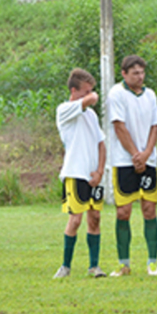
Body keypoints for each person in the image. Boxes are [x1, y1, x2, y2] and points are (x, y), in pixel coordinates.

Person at [107, 55, 157, 277]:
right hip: (124, 161)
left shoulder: (150, 95)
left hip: (147, 160)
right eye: (135, 73)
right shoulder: (116, 94)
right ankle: (124, 263)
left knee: (149, 209)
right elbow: (119, 126)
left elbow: (155, 126)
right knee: (123, 212)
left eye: (142, 72)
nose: (140, 77)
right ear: (124, 74)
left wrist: (146, 153)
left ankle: (152, 262)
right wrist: (134, 155)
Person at [54, 69, 107, 279]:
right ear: (74, 91)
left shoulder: (91, 115)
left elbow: (101, 144)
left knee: (95, 218)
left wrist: (100, 171)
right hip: (75, 173)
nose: (91, 95)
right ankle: (65, 266)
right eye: (85, 91)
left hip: (93, 175)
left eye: (91, 91)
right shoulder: (65, 110)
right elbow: (87, 102)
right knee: (75, 220)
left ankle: (94, 267)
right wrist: (90, 98)